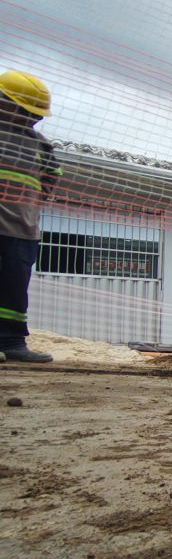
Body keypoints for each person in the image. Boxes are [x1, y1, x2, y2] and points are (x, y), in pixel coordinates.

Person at [0, 70, 61, 364]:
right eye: (26, 111)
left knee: (14, 292)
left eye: (36, 114)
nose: (33, 119)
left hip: (23, 230)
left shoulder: (40, 144)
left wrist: (31, 206)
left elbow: (52, 177)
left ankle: (12, 342)